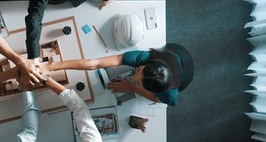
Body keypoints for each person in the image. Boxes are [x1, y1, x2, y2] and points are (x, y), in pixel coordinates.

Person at [40, 43, 194, 106]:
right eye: (138, 71)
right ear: (148, 63)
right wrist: (52, 65)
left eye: (139, 82)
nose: (134, 77)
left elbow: (158, 99)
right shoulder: (144, 57)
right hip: (178, 51)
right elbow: (95, 63)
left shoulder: (170, 94)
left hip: (185, 76)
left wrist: (133, 88)